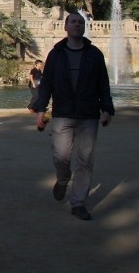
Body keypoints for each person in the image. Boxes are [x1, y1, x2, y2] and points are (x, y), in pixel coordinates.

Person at [30, 12, 114, 221]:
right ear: (65, 27)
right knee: (61, 157)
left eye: (81, 22)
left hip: (88, 113)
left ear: (84, 28)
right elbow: (47, 83)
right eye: (73, 22)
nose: (77, 25)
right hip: (62, 113)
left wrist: (107, 108)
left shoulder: (94, 54)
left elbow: (103, 84)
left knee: (85, 160)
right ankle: (63, 178)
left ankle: (78, 203)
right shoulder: (56, 54)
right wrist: (41, 109)